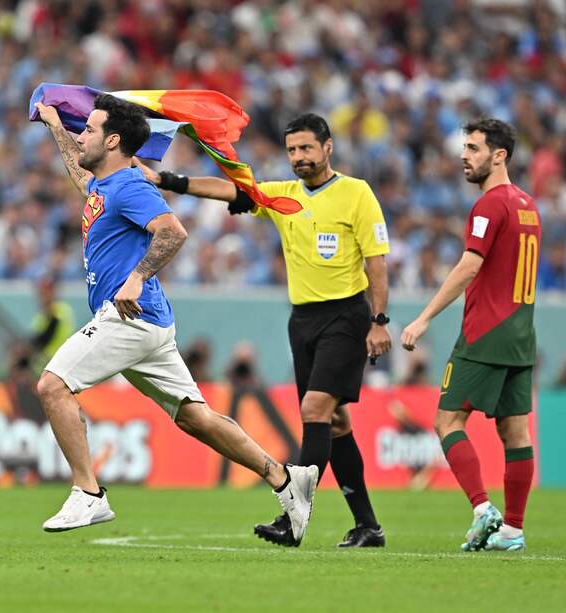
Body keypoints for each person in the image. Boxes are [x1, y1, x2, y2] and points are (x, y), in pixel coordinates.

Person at [32, 95, 318, 540]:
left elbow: (173, 231)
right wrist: (53, 123)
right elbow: (78, 170)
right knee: (194, 417)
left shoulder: (130, 186)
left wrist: (136, 277)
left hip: (130, 316)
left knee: (52, 385)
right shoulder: (104, 185)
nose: (80, 134)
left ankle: (88, 493)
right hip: (149, 323)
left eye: (87, 129)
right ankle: (284, 479)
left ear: (112, 141)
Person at [139, 113, 391, 548]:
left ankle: (292, 519)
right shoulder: (284, 197)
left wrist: (379, 320)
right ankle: (367, 525)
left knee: (314, 411)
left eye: (307, 149)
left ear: (328, 147)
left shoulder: (356, 194)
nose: (299, 157)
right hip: (303, 321)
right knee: (334, 422)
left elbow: (377, 261)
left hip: (347, 317)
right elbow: (229, 191)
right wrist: (167, 179)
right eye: (293, 150)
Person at [401, 119, 539, 552]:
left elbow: (470, 265)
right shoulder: (528, 205)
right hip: (521, 336)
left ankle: (483, 510)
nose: (464, 155)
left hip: (485, 333)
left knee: (446, 421)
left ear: (499, 156)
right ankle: (513, 531)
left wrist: (423, 318)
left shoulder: (489, 205)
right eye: (465, 147)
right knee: (515, 432)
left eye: (475, 148)